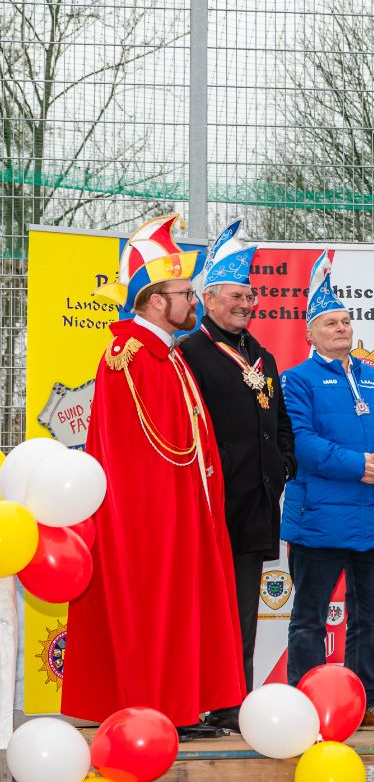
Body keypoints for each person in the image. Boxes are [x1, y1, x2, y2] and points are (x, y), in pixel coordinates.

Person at [63, 213, 245, 739]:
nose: (193, 302)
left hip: (184, 512)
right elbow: (138, 455)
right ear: (154, 300)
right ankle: (158, 709)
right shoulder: (130, 356)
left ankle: (182, 706)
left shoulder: (165, 355)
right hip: (153, 520)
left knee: (185, 608)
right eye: (184, 294)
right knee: (156, 606)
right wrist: (168, 518)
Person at [280, 252, 374, 731]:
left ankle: (361, 706)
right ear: (311, 334)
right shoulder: (295, 381)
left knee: (369, 620)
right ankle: (304, 706)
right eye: (330, 323)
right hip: (319, 521)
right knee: (309, 618)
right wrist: (361, 464)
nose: (341, 328)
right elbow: (302, 443)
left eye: (345, 321)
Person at [179, 219, 296, 731]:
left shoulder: (263, 355)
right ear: (208, 299)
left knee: (243, 611)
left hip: (256, 507)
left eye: (249, 296)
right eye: (235, 296)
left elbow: (282, 422)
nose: (245, 304)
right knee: (202, 610)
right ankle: (191, 703)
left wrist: (284, 466)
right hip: (209, 508)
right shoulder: (188, 354)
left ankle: (233, 705)